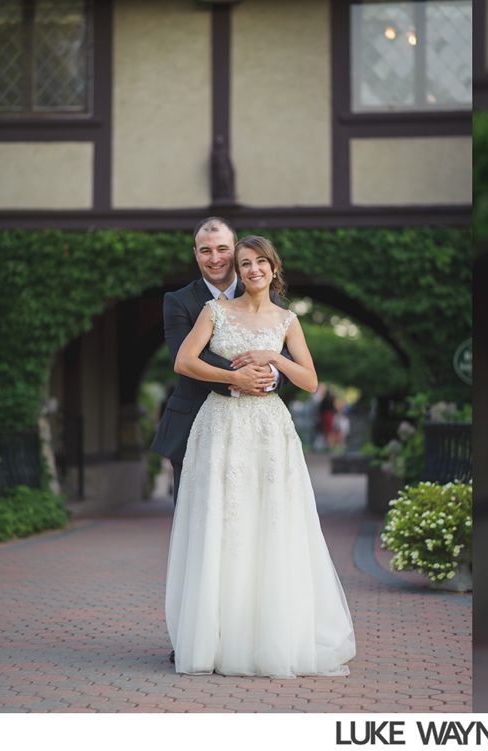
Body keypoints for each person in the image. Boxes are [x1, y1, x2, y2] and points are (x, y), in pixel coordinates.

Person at [165, 235, 356, 677]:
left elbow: (309, 380)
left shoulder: (287, 320)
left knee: (269, 522)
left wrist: (274, 356)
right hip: (221, 425)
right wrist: (233, 378)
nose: (252, 270)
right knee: (224, 523)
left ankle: (270, 635)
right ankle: (218, 638)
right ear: (239, 270)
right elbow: (183, 361)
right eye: (245, 263)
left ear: (273, 268)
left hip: (269, 430)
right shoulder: (215, 312)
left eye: (260, 263)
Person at [151, 217, 280, 506]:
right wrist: (238, 379)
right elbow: (184, 357)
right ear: (195, 253)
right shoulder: (178, 301)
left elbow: (283, 353)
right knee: (196, 520)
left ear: (235, 249)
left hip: (254, 427)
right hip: (194, 422)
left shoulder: (264, 293)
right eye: (205, 250)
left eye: (222, 249)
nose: (215, 258)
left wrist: (269, 375)